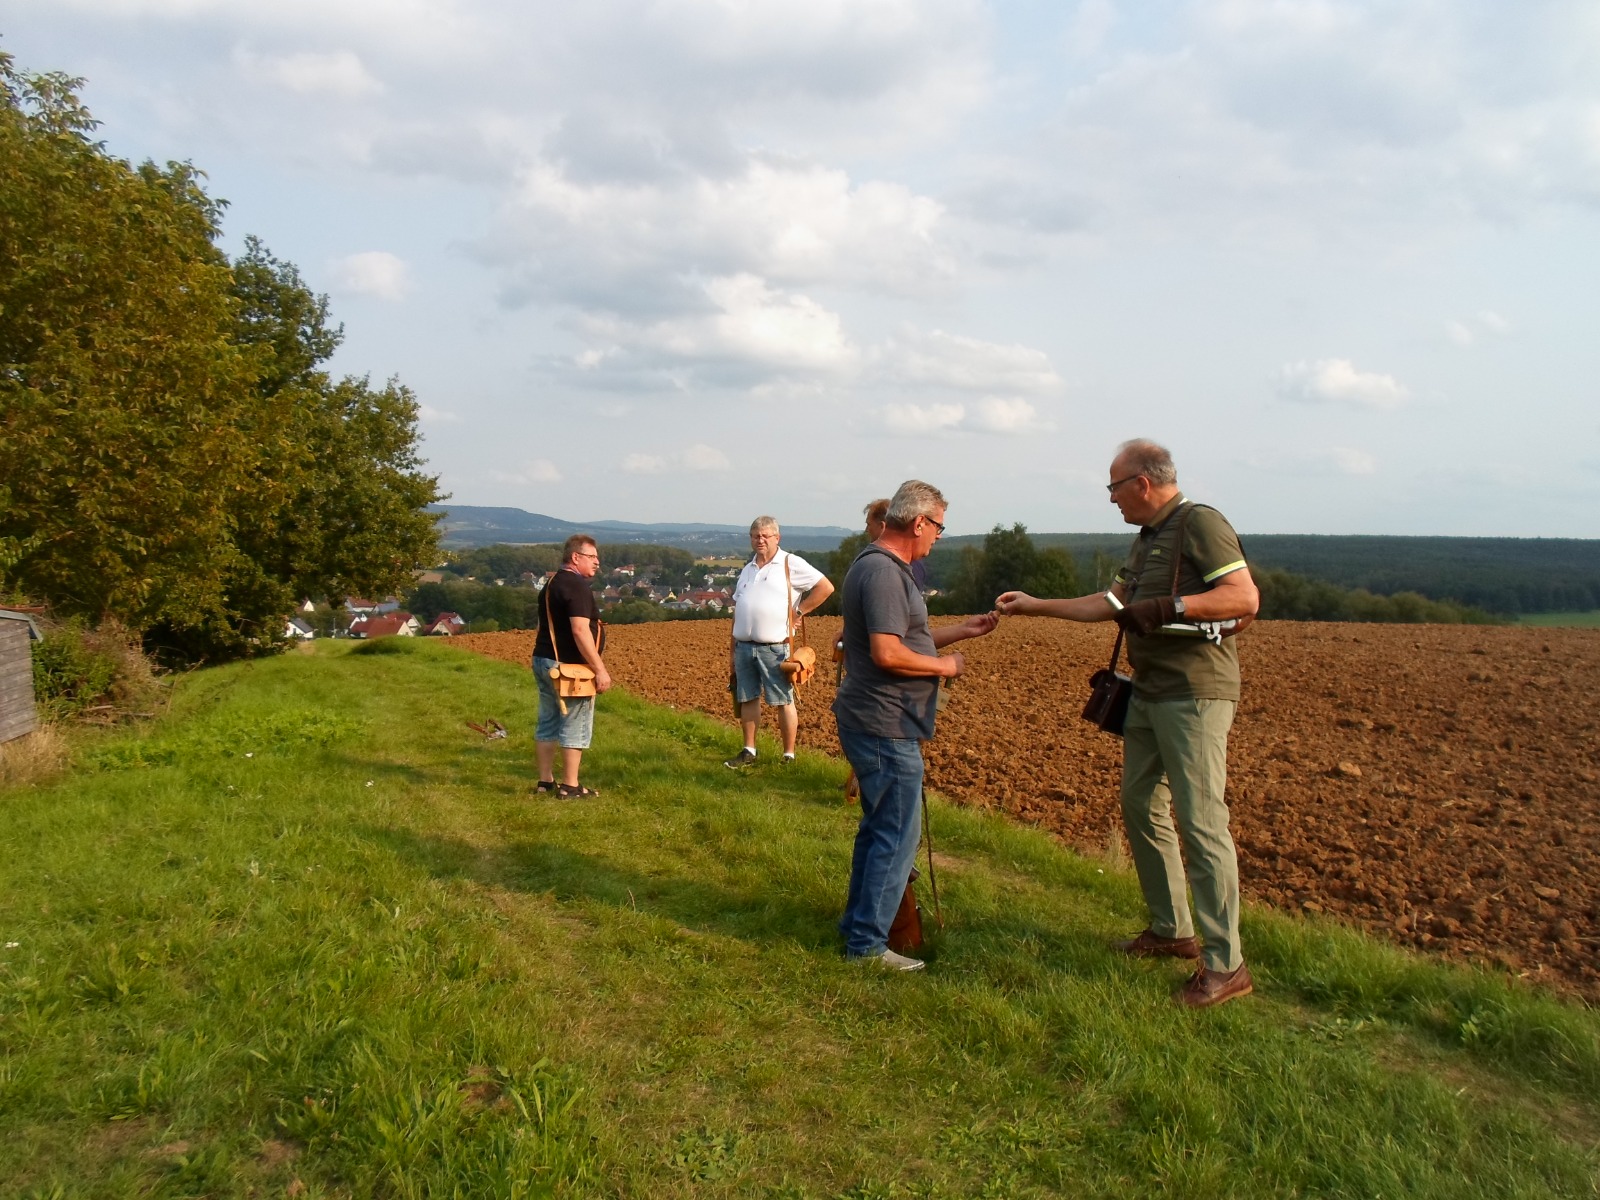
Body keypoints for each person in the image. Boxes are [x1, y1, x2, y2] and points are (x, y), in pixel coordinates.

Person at [996, 440, 1260, 1007]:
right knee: (1141, 804)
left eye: (1114, 488)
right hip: (1149, 691)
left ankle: (1227, 965)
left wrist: (1171, 607)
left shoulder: (1200, 523)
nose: (1112, 499)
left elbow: (1243, 598)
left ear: (1142, 483)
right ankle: (1172, 930)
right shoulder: (1147, 539)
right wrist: (1035, 604)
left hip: (1194, 693)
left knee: (1202, 821)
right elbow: (1111, 604)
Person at [835, 480, 999, 970]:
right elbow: (888, 653)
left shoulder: (877, 566)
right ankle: (867, 946)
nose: (939, 537)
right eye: (939, 527)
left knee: (878, 830)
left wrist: (961, 631)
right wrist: (945, 666)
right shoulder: (884, 573)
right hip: (885, 724)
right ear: (920, 522)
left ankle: (857, 928)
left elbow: (904, 638)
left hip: (877, 720)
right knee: (895, 835)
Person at [725, 517, 835, 767]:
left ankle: (789, 756)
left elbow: (825, 587)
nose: (760, 540)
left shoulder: (789, 563)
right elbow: (738, 610)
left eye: (766, 535)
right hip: (744, 646)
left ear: (777, 538)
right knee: (747, 698)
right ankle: (749, 751)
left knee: (784, 700)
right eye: (756, 536)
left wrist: (800, 612)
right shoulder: (747, 569)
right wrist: (731, 650)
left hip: (775, 648)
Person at [533, 534, 612, 798]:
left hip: (543, 660)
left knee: (547, 721)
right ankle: (570, 786)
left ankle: (545, 781)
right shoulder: (576, 586)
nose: (597, 562)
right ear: (575, 557)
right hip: (569, 668)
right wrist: (599, 669)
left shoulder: (552, 583)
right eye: (592, 557)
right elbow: (580, 630)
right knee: (575, 723)